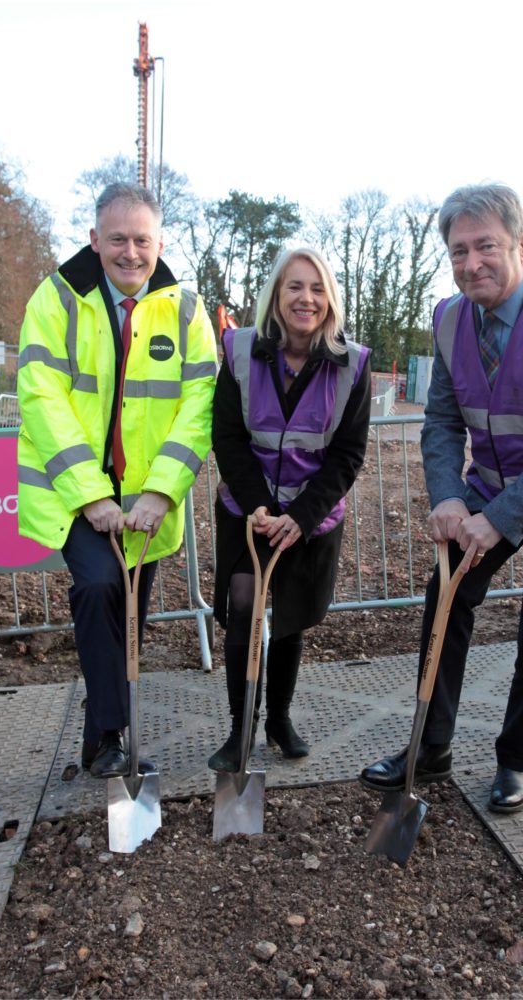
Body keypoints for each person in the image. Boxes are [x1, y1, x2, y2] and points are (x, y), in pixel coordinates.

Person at [360, 183, 523, 813]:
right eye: (458, 251)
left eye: (486, 247)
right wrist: (450, 498)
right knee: (445, 605)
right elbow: (442, 421)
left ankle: (515, 760)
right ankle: (430, 746)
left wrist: (500, 519)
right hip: (487, 491)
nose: (471, 264)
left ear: (522, 243)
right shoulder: (450, 317)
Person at [17, 182, 217, 778]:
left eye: (143, 241)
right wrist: (91, 496)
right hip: (77, 498)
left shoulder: (186, 308)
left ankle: (98, 740)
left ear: (160, 242)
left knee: (130, 619)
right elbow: (42, 398)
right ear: (93, 239)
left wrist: (161, 491)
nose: (131, 253)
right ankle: (114, 732)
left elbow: (200, 400)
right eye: (118, 239)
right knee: (99, 588)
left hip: (150, 503)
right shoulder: (54, 301)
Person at [209, 247, 372, 770]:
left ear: (331, 299)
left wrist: (299, 518)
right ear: (276, 295)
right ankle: (241, 729)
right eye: (295, 287)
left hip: (310, 516)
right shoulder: (239, 351)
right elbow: (228, 437)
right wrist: (258, 505)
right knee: (242, 609)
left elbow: (348, 454)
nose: (306, 298)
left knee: (289, 621)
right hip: (247, 509)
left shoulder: (353, 365)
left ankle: (278, 718)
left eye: (318, 288)